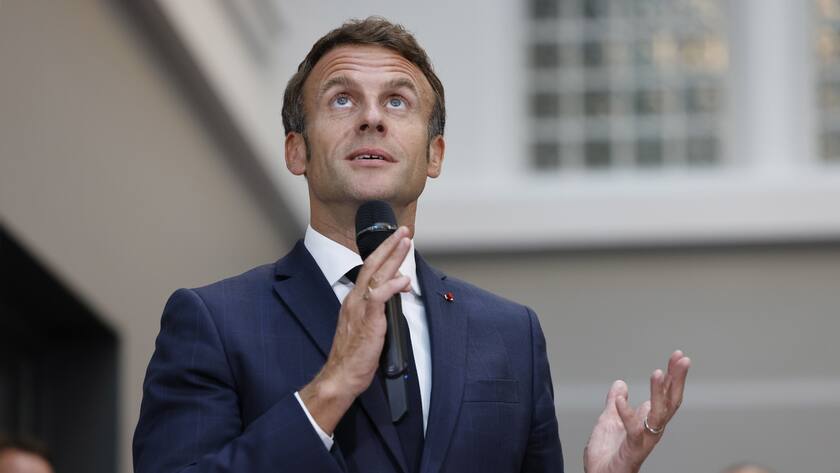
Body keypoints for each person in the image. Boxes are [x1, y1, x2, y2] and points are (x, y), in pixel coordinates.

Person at [133, 16, 690, 473]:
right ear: (296, 150)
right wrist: (330, 390)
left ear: (434, 155)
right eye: (342, 100)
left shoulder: (510, 334)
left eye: (397, 102)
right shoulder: (212, 321)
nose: (372, 118)